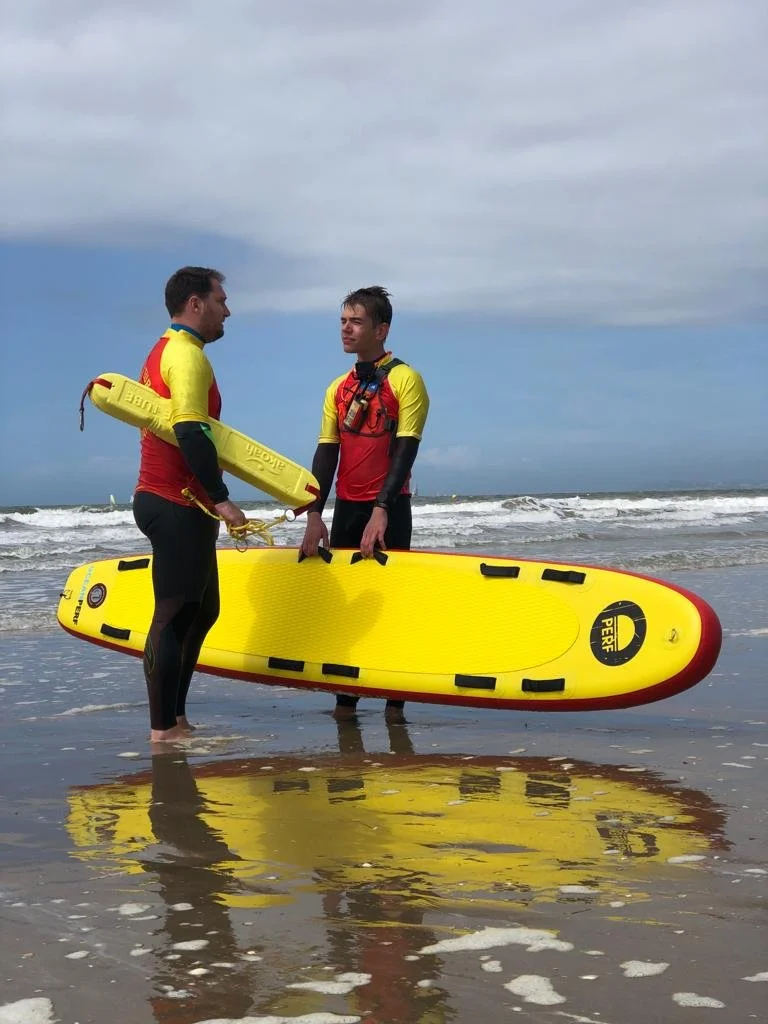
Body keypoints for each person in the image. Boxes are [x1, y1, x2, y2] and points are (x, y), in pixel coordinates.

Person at [300, 286, 429, 724]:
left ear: (381, 329)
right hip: (347, 508)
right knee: (349, 608)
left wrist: (382, 508)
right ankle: (345, 704)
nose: (346, 329)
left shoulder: (405, 380)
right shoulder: (338, 388)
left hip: (391, 507)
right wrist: (314, 514)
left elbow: (406, 449)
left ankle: (396, 706)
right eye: (342, 321)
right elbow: (326, 453)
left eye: (355, 321)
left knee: (391, 606)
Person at [132, 267, 248, 743]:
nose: (227, 309)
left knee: (202, 612)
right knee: (173, 613)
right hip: (174, 501)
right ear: (195, 303)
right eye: (221, 299)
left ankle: (176, 718)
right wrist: (222, 501)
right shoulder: (185, 356)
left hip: (181, 503)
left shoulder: (169, 351)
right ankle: (162, 731)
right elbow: (189, 430)